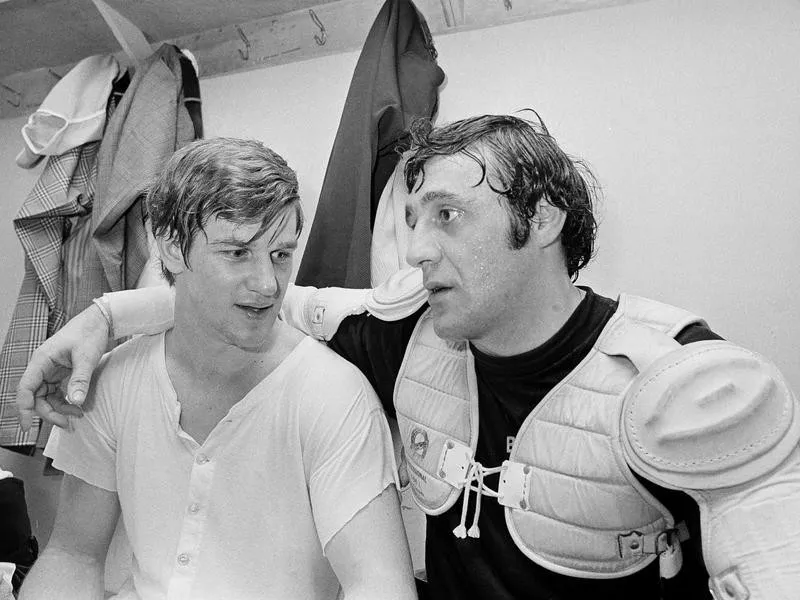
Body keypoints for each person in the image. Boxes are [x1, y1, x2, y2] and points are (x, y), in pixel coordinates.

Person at [17, 116, 800, 600]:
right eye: (415, 218)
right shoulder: (406, 333)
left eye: (450, 216)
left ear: (547, 217)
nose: (417, 250)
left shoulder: (681, 381)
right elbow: (248, 302)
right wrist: (102, 316)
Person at [17, 138, 416, 600]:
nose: (268, 284)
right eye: (237, 253)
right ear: (168, 247)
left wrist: (107, 315)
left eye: (281, 254)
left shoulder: (333, 395)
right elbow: (73, 554)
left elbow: (380, 585)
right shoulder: (112, 380)